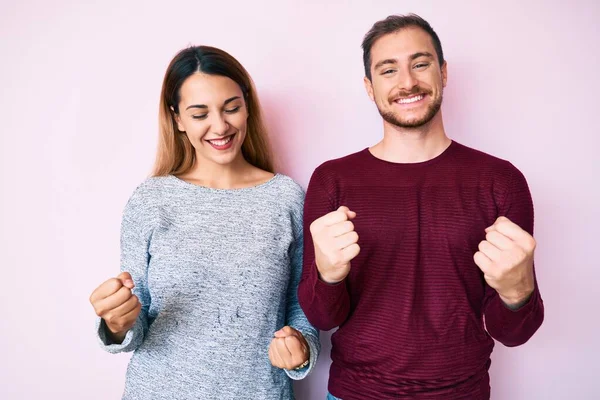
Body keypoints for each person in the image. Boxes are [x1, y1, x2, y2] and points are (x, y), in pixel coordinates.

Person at [298, 14, 544, 400]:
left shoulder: (501, 180)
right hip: (355, 393)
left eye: (420, 63)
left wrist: (518, 291)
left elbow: (514, 333)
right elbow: (324, 318)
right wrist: (327, 275)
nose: (407, 82)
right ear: (369, 86)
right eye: (388, 69)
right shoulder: (332, 180)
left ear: (443, 73)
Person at [89, 45, 320, 399]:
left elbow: (301, 305)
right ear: (177, 119)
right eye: (200, 114)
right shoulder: (151, 200)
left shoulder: (286, 198)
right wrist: (117, 324)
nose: (220, 126)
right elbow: (137, 317)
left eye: (232, 108)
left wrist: (300, 348)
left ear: (247, 107)